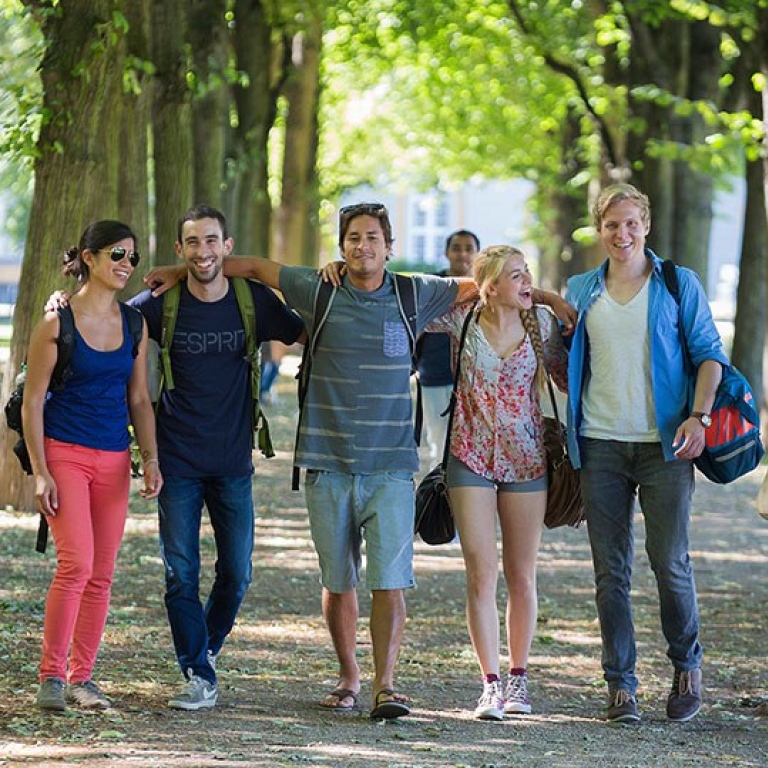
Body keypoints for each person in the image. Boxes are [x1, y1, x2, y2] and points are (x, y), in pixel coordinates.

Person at [145, 202, 577, 719]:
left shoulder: (413, 292)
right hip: (326, 460)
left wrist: (544, 295)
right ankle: (349, 676)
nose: (363, 246)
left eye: (373, 238)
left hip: (392, 463)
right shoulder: (318, 288)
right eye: (353, 238)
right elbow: (258, 268)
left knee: (390, 579)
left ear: (389, 247)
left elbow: (479, 284)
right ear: (342, 245)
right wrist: (186, 269)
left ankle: (386, 684)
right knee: (338, 580)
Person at [130, 204, 305, 711]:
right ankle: (199, 673)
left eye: (212, 242)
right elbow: (108, 323)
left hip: (232, 460)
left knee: (237, 572)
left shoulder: (253, 301)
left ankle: (202, 650)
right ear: (180, 250)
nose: (203, 252)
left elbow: (309, 332)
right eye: (193, 243)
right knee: (179, 573)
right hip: (177, 459)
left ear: (227, 248)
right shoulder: (160, 305)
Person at [564, 183, 727, 724]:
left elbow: (709, 355)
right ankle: (621, 685)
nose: (622, 233)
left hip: (666, 446)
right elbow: (568, 363)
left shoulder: (678, 284)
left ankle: (686, 667)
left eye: (631, 222)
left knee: (670, 563)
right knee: (610, 572)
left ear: (647, 225)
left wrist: (699, 417)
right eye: (612, 224)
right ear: (599, 230)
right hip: (601, 443)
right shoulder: (582, 288)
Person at [24, 220, 163, 712]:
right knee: (76, 563)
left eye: (132, 257)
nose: (126, 265)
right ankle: (51, 677)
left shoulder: (134, 324)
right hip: (65, 453)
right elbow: (32, 403)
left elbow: (140, 399)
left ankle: (83, 677)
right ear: (89, 257)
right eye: (117, 256)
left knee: (102, 572)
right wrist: (40, 471)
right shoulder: (56, 323)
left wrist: (149, 458)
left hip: (114, 459)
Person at [425, 245, 568, 720]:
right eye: (515, 276)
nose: (527, 282)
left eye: (528, 273)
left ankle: (519, 680)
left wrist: (551, 304)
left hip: (527, 460)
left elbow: (568, 380)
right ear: (488, 286)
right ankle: (489, 684)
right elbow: (410, 302)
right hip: (469, 456)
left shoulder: (541, 326)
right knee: (480, 573)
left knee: (521, 575)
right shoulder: (459, 319)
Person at [416, 230, 480, 460]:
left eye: (468, 248)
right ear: (446, 252)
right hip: (435, 374)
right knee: (440, 441)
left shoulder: (486, 289)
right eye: (456, 247)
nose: (462, 253)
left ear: (477, 254)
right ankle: (439, 493)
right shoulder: (431, 285)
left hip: (475, 379)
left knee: (475, 444)